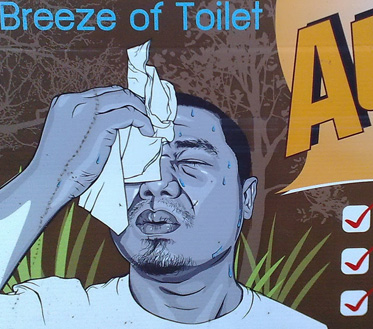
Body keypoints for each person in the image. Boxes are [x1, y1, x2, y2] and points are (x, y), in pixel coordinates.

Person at [0, 86, 326, 328]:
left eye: (190, 161)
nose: (155, 184)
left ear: (247, 198)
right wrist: (47, 174)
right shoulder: (55, 315)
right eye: (134, 165)